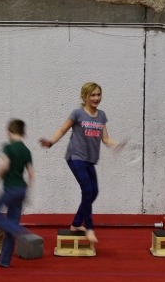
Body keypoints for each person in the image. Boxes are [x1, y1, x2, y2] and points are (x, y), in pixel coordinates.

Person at [39, 82, 123, 244]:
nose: (96, 98)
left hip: (90, 159)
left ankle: (76, 224)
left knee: (94, 192)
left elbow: (105, 138)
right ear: (84, 97)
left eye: (98, 94)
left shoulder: (101, 115)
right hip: (75, 157)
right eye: (92, 95)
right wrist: (50, 142)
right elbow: (62, 130)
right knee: (88, 190)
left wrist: (115, 145)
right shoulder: (77, 113)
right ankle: (89, 227)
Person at [0, 119, 34, 268]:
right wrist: (28, 192)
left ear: (9, 132)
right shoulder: (26, 151)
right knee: (11, 223)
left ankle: (18, 231)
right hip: (21, 189)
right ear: (23, 133)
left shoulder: (8, 147)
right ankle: (4, 261)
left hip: (11, 188)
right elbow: (31, 174)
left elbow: (4, 166)